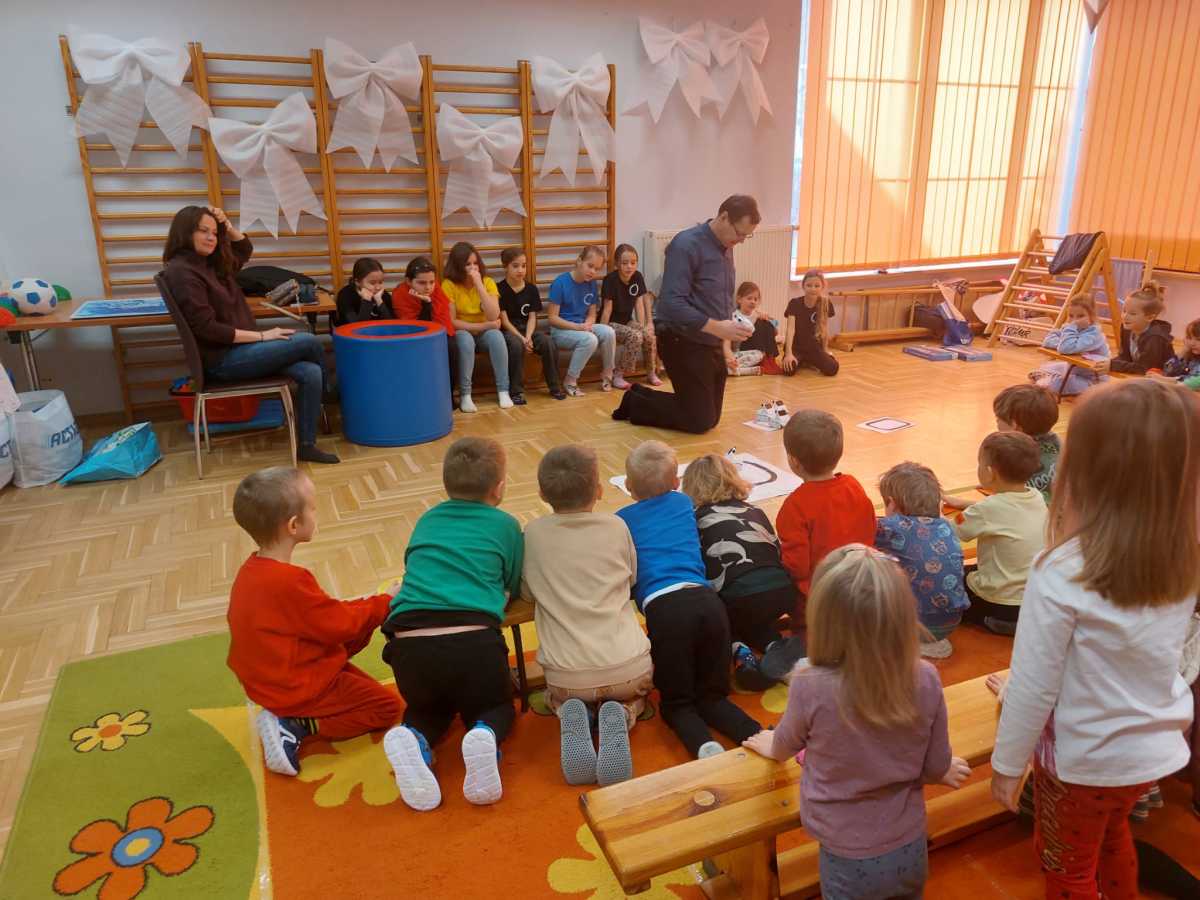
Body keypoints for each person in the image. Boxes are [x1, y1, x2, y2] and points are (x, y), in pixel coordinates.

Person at [990, 379, 1199, 899]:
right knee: (1111, 839)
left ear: (1084, 471)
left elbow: (1035, 685)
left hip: (1082, 764)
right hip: (1150, 755)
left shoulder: (1062, 570)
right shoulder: (1183, 557)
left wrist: (1006, 766)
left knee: (1066, 866)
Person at [743, 545, 970, 899]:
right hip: (910, 846)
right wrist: (942, 770)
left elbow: (785, 746)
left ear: (823, 619)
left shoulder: (809, 682)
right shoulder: (925, 675)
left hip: (846, 856)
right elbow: (935, 765)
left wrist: (772, 745)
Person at [226, 467, 401, 776]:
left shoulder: (251, 570)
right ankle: (298, 724)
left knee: (360, 623)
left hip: (268, 677)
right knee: (386, 708)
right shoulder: (289, 581)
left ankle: (289, 713)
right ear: (294, 525)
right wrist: (385, 601)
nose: (317, 513)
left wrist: (370, 605)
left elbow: (322, 617)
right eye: (314, 507)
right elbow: (340, 624)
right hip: (294, 685)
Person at [380, 437, 523, 811]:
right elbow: (513, 582)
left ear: (446, 484)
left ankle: (414, 737)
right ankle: (485, 734)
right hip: (473, 641)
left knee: (428, 709)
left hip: (409, 643)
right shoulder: (506, 525)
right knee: (497, 706)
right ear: (499, 488)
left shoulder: (427, 519)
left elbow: (413, 566)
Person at [615, 441, 762, 758]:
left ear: (627, 485)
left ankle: (703, 746)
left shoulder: (621, 520)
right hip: (709, 603)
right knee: (714, 696)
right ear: (676, 482)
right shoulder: (683, 502)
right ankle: (755, 733)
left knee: (677, 702)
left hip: (666, 610)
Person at [162, 205, 338, 464]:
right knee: (309, 341)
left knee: (310, 372)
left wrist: (227, 225)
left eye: (214, 233)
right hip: (223, 361)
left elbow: (244, 249)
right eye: (203, 231)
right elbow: (207, 328)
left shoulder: (210, 264)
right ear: (185, 232)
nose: (211, 238)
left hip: (242, 353)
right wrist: (264, 337)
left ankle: (306, 445)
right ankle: (331, 395)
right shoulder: (182, 272)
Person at [522, 444, 652, 786]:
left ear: (541, 494)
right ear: (599, 490)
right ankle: (625, 712)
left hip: (568, 679)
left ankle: (567, 710)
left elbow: (527, 593)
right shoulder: (616, 526)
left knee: (557, 696)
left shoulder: (533, 534)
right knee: (639, 693)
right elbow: (632, 577)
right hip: (629, 667)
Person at [613, 195, 760, 433]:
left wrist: (728, 332)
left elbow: (717, 296)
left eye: (747, 236)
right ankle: (635, 402)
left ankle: (640, 394)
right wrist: (718, 327)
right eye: (740, 233)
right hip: (680, 338)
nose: (742, 240)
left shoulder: (727, 245)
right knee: (700, 420)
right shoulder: (686, 245)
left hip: (710, 339)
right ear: (724, 217)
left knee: (710, 418)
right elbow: (671, 304)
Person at [681, 454, 799, 689]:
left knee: (722, 619)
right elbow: (776, 550)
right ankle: (776, 647)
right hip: (782, 593)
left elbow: (697, 566)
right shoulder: (755, 510)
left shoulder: (695, 520)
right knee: (753, 616)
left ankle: (739, 652)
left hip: (739, 598)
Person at [944, 432, 1047, 636]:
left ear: (990, 473)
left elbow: (948, 532)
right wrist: (965, 503)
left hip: (1000, 603)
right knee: (973, 570)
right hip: (1034, 599)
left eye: (979, 463)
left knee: (945, 580)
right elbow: (1003, 510)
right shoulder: (1036, 497)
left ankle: (992, 620)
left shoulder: (987, 510)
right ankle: (1014, 621)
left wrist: (934, 513)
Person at [775, 410, 876, 617]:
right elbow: (871, 530)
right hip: (861, 586)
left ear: (793, 461)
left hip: (818, 600)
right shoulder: (853, 486)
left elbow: (797, 567)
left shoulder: (795, 505)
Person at [875, 462, 968, 659]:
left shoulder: (892, 527)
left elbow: (859, 528)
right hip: (951, 621)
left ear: (891, 503)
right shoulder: (945, 526)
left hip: (916, 623)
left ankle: (905, 641)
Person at [442, 241, 515, 412]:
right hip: (463, 331)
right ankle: (465, 395)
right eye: (468, 264)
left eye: (475, 263)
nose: (473, 267)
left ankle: (503, 390)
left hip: (485, 332)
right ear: (458, 266)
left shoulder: (487, 282)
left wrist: (479, 285)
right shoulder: (448, 285)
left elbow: (493, 315)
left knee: (497, 337)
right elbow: (452, 321)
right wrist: (485, 325)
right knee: (465, 340)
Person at [546, 245, 616, 396]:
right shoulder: (560, 283)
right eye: (590, 266)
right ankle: (570, 380)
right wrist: (578, 327)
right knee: (590, 340)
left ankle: (608, 373)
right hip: (561, 330)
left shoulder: (591, 284)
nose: (593, 271)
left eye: (596, 269)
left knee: (609, 331)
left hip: (581, 327)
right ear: (579, 261)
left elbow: (592, 314)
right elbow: (552, 318)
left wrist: (588, 324)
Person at [497, 247, 564, 401]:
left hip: (528, 330)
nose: (520, 270)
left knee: (548, 342)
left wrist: (528, 337)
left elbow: (532, 317)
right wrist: (522, 339)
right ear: (505, 267)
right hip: (509, 331)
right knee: (516, 345)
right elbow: (504, 321)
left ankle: (555, 387)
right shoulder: (499, 289)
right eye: (515, 266)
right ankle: (516, 391)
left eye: (523, 265)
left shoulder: (531, 289)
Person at [600, 243, 661, 389]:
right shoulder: (610, 280)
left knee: (648, 335)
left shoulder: (637, 277)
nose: (629, 266)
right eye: (625, 263)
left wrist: (643, 325)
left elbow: (639, 303)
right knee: (635, 336)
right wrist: (602, 330)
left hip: (627, 321)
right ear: (617, 264)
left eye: (633, 263)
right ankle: (618, 375)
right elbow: (607, 309)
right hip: (611, 323)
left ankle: (651, 372)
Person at [986, 384, 1060, 501]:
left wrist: (965, 503)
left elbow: (1007, 504)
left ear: (1014, 425)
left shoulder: (1015, 453)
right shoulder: (1057, 441)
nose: (997, 423)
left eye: (998, 419)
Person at [1029, 294, 1110, 396]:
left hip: (1092, 378)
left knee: (1058, 385)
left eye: (1080, 316)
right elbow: (1047, 341)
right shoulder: (1071, 328)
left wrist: (1068, 335)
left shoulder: (1094, 334)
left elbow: (1065, 348)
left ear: (1092, 316)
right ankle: (1050, 377)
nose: (1074, 320)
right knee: (1046, 367)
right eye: (1071, 316)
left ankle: (1050, 381)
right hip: (1074, 369)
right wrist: (1063, 344)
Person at [1100, 281, 1174, 375]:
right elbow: (1125, 357)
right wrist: (1108, 364)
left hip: (1160, 377)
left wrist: (1113, 365)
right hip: (1141, 374)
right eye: (1124, 311)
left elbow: (1145, 368)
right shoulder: (1127, 328)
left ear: (1149, 317)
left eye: (1132, 314)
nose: (1125, 317)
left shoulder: (1155, 338)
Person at [782, 269, 838, 377]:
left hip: (814, 348)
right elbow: (790, 330)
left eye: (817, 286)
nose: (813, 289)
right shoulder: (794, 303)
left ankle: (809, 361)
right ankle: (803, 361)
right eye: (809, 285)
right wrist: (788, 354)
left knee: (833, 369)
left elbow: (824, 329)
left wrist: (825, 350)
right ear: (803, 286)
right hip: (796, 348)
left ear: (822, 287)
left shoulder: (825, 303)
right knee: (788, 370)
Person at [723, 281, 782, 376]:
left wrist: (770, 322)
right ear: (739, 299)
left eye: (755, 299)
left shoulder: (757, 314)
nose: (753, 301)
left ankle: (770, 361)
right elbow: (726, 344)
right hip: (739, 351)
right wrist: (730, 358)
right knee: (756, 355)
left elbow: (775, 333)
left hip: (755, 351)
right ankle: (737, 369)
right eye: (749, 298)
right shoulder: (734, 317)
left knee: (765, 325)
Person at [335, 257, 396, 325]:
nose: (378, 287)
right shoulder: (345, 295)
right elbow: (356, 327)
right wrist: (366, 301)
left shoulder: (383, 295)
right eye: (372, 283)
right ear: (357, 282)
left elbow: (392, 324)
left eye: (380, 282)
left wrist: (379, 302)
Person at [1162, 317, 1200, 382]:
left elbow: (1192, 381)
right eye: (1189, 338)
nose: (1192, 343)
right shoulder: (1191, 356)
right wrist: (1182, 352)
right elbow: (1167, 372)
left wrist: (1164, 379)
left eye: (1198, 340)